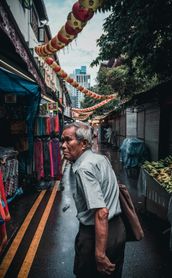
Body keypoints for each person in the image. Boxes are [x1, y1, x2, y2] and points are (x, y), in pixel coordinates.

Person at [61, 122, 126, 278]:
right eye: (62, 140)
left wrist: (99, 254)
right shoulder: (101, 159)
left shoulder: (84, 168)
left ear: (83, 144)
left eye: (68, 140)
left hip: (97, 235)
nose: (63, 146)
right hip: (117, 231)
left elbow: (101, 212)